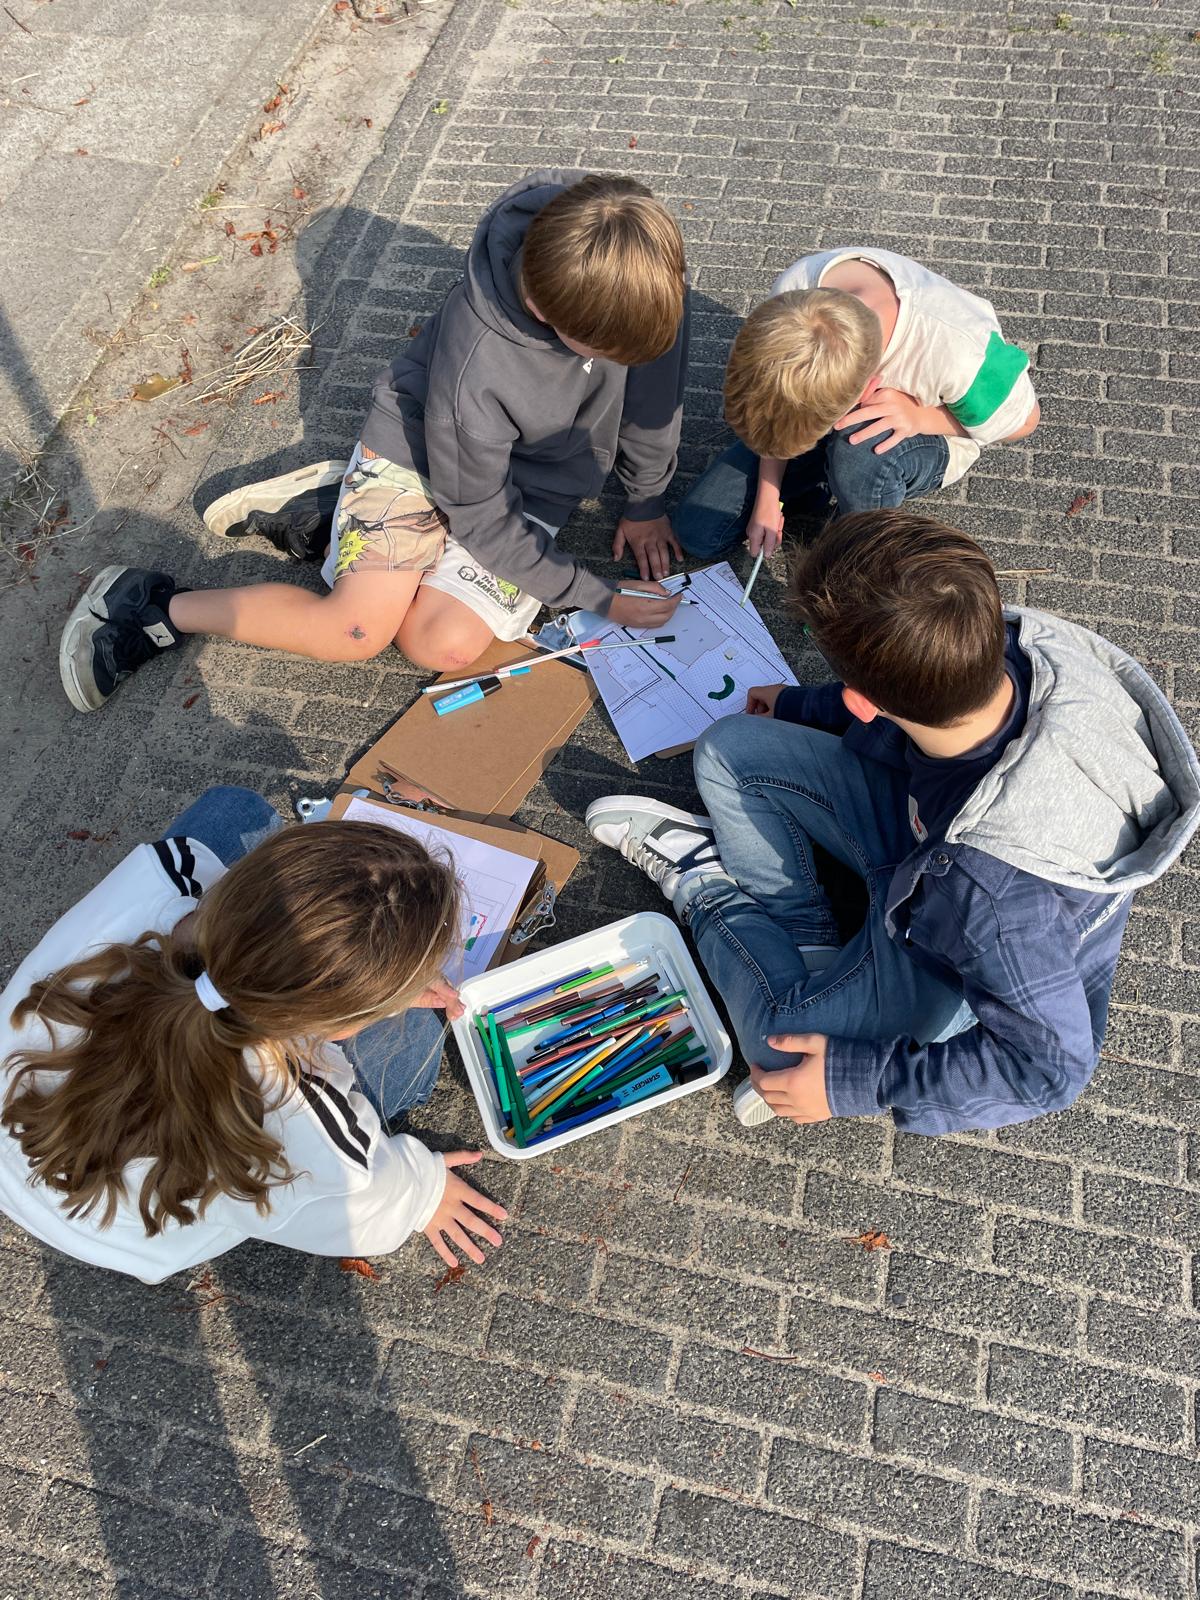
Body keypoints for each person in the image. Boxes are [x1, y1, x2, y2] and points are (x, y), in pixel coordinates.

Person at [586, 510, 1200, 1134]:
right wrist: (800, 705)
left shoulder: (996, 905)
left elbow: (1049, 1071)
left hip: (954, 947)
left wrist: (859, 1081)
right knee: (727, 747)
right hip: (929, 854)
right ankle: (810, 939)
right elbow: (895, 694)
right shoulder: (1007, 641)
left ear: (865, 701)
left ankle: (707, 889)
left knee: (778, 1050)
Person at [59, 171, 690, 714]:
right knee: (357, 630)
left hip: (523, 481)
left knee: (439, 643)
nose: (622, 365)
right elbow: (477, 509)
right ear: (548, 312)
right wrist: (595, 595)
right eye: (605, 354)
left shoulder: (642, 281)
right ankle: (152, 608)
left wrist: (646, 502)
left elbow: (655, 406)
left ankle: (336, 511)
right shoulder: (484, 358)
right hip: (423, 457)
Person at [0, 786, 506, 1281]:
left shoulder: (160, 883)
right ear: (339, 1026)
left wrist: (364, 973)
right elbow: (366, 1202)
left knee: (233, 810)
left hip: (15, 1131)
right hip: (118, 1231)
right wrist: (423, 1191)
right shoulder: (300, 1112)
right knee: (416, 1037)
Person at [673, 247, 1040, 564]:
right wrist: (767, 499)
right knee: (698, 532)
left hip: (918, 437)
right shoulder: (794, 296)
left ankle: (864, 544)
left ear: (871, 385)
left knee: (860, 450)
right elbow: (777, 413)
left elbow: (1025, 422)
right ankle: (823, 484)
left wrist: (920, 417)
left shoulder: (960, 351)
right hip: (822, 413)